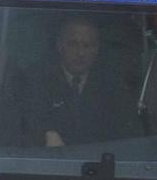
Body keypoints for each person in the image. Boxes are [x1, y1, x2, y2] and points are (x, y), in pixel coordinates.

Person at [17, 16, 135, 147]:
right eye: (73, 44)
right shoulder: (34, 80)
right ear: (59, 45)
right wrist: (45, 134)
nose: (80, 53)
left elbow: (125, 134)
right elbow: (23, 123)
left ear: (97, 49)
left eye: (87, 46)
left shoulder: (112, 85)